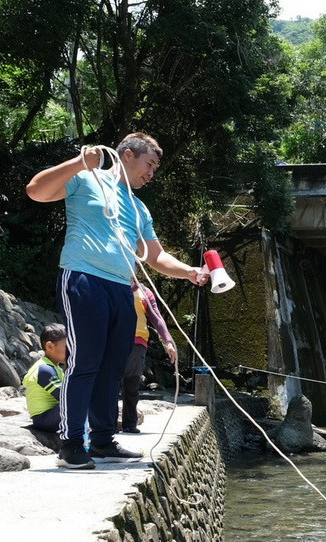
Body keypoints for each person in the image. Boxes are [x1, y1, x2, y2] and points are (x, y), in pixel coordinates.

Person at [25, 133, 207, 470]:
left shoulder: (138, 208)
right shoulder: (85, 179)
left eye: (155, 167)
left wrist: (190, 272)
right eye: (149, 164)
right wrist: (80, 162)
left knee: (111, 369)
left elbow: (155, 256)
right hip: (83, 278)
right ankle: (71, 444)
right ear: (127, 155)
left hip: (123, 288)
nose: (152, 173)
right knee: (84, 363)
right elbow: (36, 191)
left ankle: (104, 440)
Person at [121, 280, 176, 433]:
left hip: (138, 341)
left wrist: (168, 341)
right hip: (115, 340)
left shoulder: (145, 291)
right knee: (111, 384)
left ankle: (130, 424)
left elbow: (156, 317)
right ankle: (107, 426)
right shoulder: (112, 283)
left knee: (132, 385)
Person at [22, 324, 67, 433]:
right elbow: (64, 397)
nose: (72, 351)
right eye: (67, 347)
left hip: (50, 416)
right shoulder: (44, 370)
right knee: (78, 401)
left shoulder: (54, 368)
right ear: (50, 346)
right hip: (44, 419)